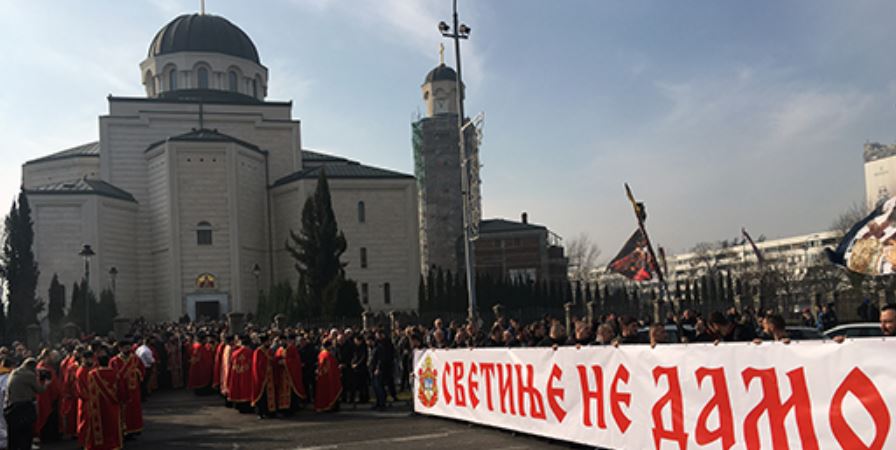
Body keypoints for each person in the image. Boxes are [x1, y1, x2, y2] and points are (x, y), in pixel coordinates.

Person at [77, 354, 126, 450]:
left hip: (97, 407)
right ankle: (114, 444)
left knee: (101, 428)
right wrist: (122, 400)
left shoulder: (92, 374)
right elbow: (121, 390)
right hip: (112, 405)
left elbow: (86, 392)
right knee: (112, 425)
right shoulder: (115, 373)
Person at [5, 358, 50, 450]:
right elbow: (39, 390)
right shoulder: (29, 375)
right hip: (24, 407)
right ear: (32, 367)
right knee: (26, 434)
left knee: (13, 436)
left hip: (11, 407)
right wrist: (46, 384)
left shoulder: (15, 372)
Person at [110, 339, 144, 438]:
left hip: (134, 388)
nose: (127, 349)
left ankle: (136, 428)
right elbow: (112, 375)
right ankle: (125, 430)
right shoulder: (114, 361)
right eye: (125, 347)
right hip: (122, 389)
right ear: (120, 349)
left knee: (135, 409)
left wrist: (137, 373)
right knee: (124, 411)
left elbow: (142, 369)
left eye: (128, 347)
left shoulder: (135, 359)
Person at [274, 334, 305, 415]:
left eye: (283, 340)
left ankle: (290, 408)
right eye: (280, 341)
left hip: (290, 376)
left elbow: (296, 361)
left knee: (291, 393)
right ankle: (282, 408)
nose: (281, 342)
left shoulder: (292, 348)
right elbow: (276, 359)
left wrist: (285, 362)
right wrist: (277, 362)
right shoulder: (279, 350)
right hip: (282, 375)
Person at [251, 333, 277, 419]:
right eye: (267, 341)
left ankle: (270, 411)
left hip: (270, 376)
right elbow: (257, 365)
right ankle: (261, 412)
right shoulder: (258, 351)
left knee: (270, 395)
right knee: (262, 396)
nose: (269, 343)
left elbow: (273, 360)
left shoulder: (269, 350)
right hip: (262, 377)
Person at [225, 335, 253, 414]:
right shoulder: (250, 352)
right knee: (246, 390)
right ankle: (247, 407)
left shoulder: (235, 352)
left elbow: (231, 364)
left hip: (237, 373)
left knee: (238, 389)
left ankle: (239, 406)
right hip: (247, 375)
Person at [314, 340, 341, 412]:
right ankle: (328, 406)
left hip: (322, 376)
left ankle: (323, 406)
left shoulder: (321, 353)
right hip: (327, 376)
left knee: (323, 392)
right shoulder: (327, 355)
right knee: (328, 392)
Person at [0, 358, 13, 449]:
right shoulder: (8, 377)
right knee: (4, 423)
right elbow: (7, 391)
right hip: (3, 402)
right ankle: (4, 442)